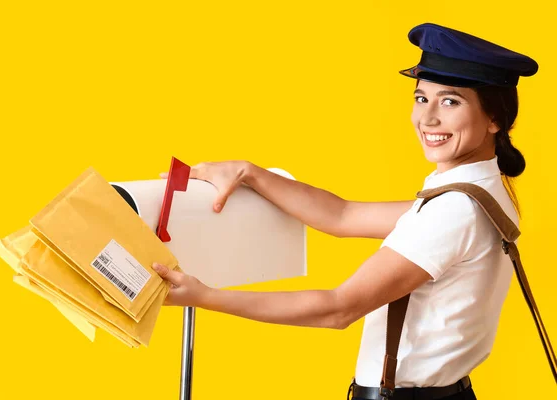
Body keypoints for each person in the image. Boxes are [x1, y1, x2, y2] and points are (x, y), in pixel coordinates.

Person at [153, 22, 540, 399]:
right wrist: (249, 173)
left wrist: (204, 296)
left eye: (450, 101)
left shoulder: (455, 211)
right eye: (421, 98)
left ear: (494, 118)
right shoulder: (478, 194)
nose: (428, 118)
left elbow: (337, 309)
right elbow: (343, 215)